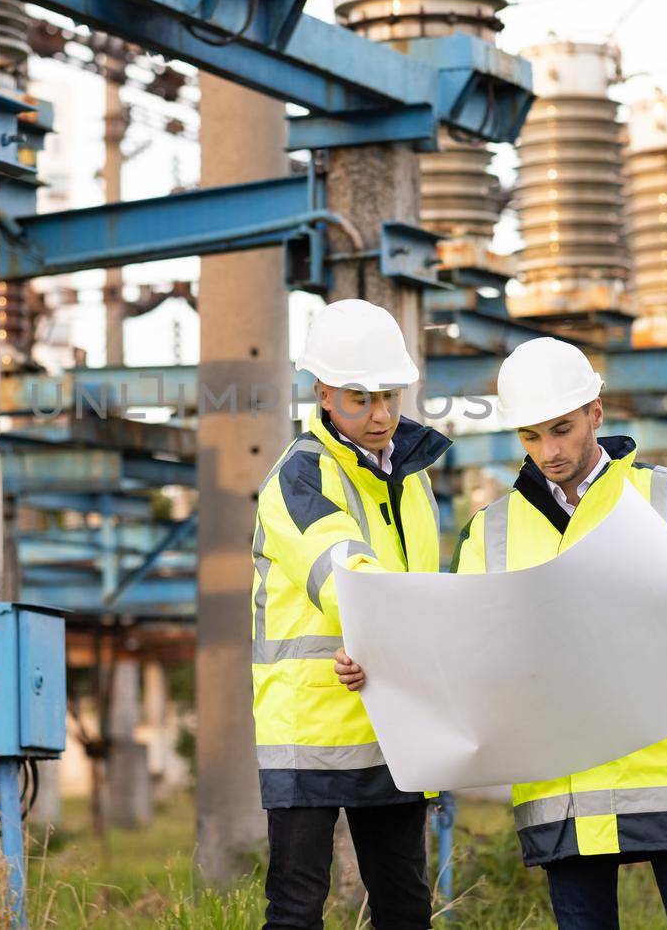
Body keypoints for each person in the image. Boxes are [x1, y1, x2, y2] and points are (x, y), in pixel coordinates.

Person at [335, 336, 667, 930]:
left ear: (595, 412)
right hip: (561, 793)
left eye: (561, 429)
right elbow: (454, 649)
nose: (549, 451)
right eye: (531, 436)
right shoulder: (490, 532)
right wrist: (381, 665)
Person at [251, 298, 452, 930]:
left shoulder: (413, 480)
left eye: (390, 396)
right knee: (296, 908)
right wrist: (384, 632)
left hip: (392, 720)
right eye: (361, 397)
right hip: (311, 724)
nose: (381, 414)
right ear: (324, 393)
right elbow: (343, 572)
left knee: (404, 906)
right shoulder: (299, 476)